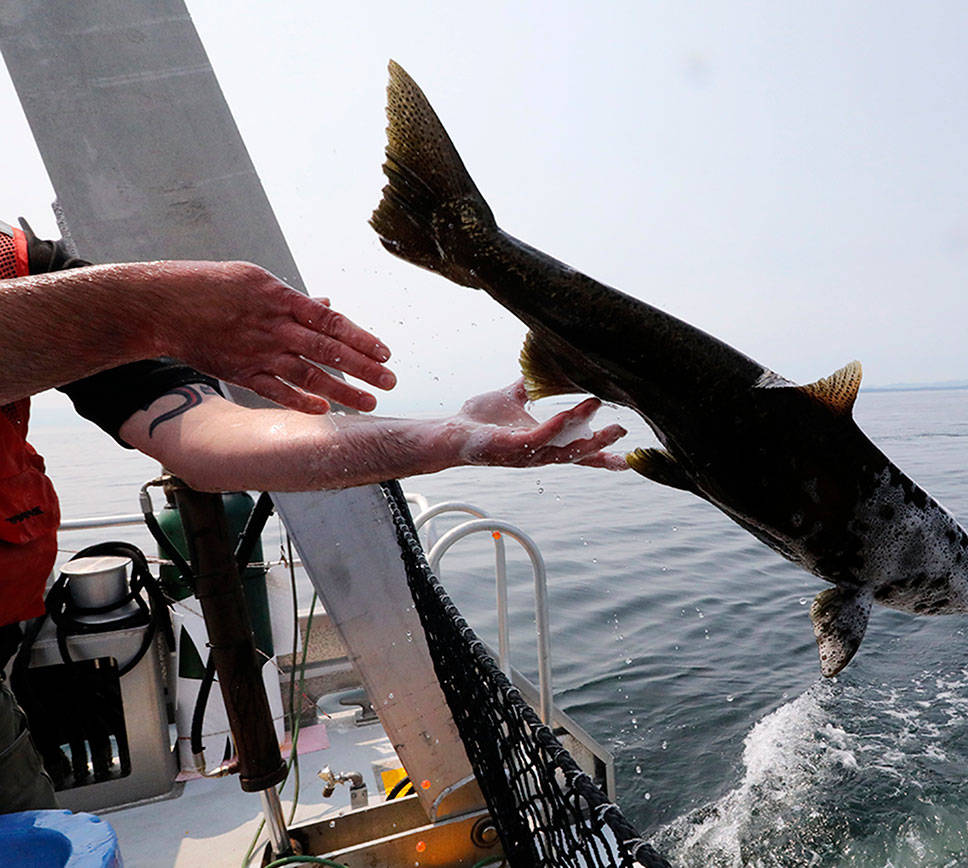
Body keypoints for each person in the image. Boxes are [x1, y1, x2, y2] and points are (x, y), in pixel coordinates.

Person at [0, 217, 627, 812]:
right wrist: (157, 307)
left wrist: (446, 437)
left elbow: (209, 440)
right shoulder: (117, 304)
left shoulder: (31, 268)